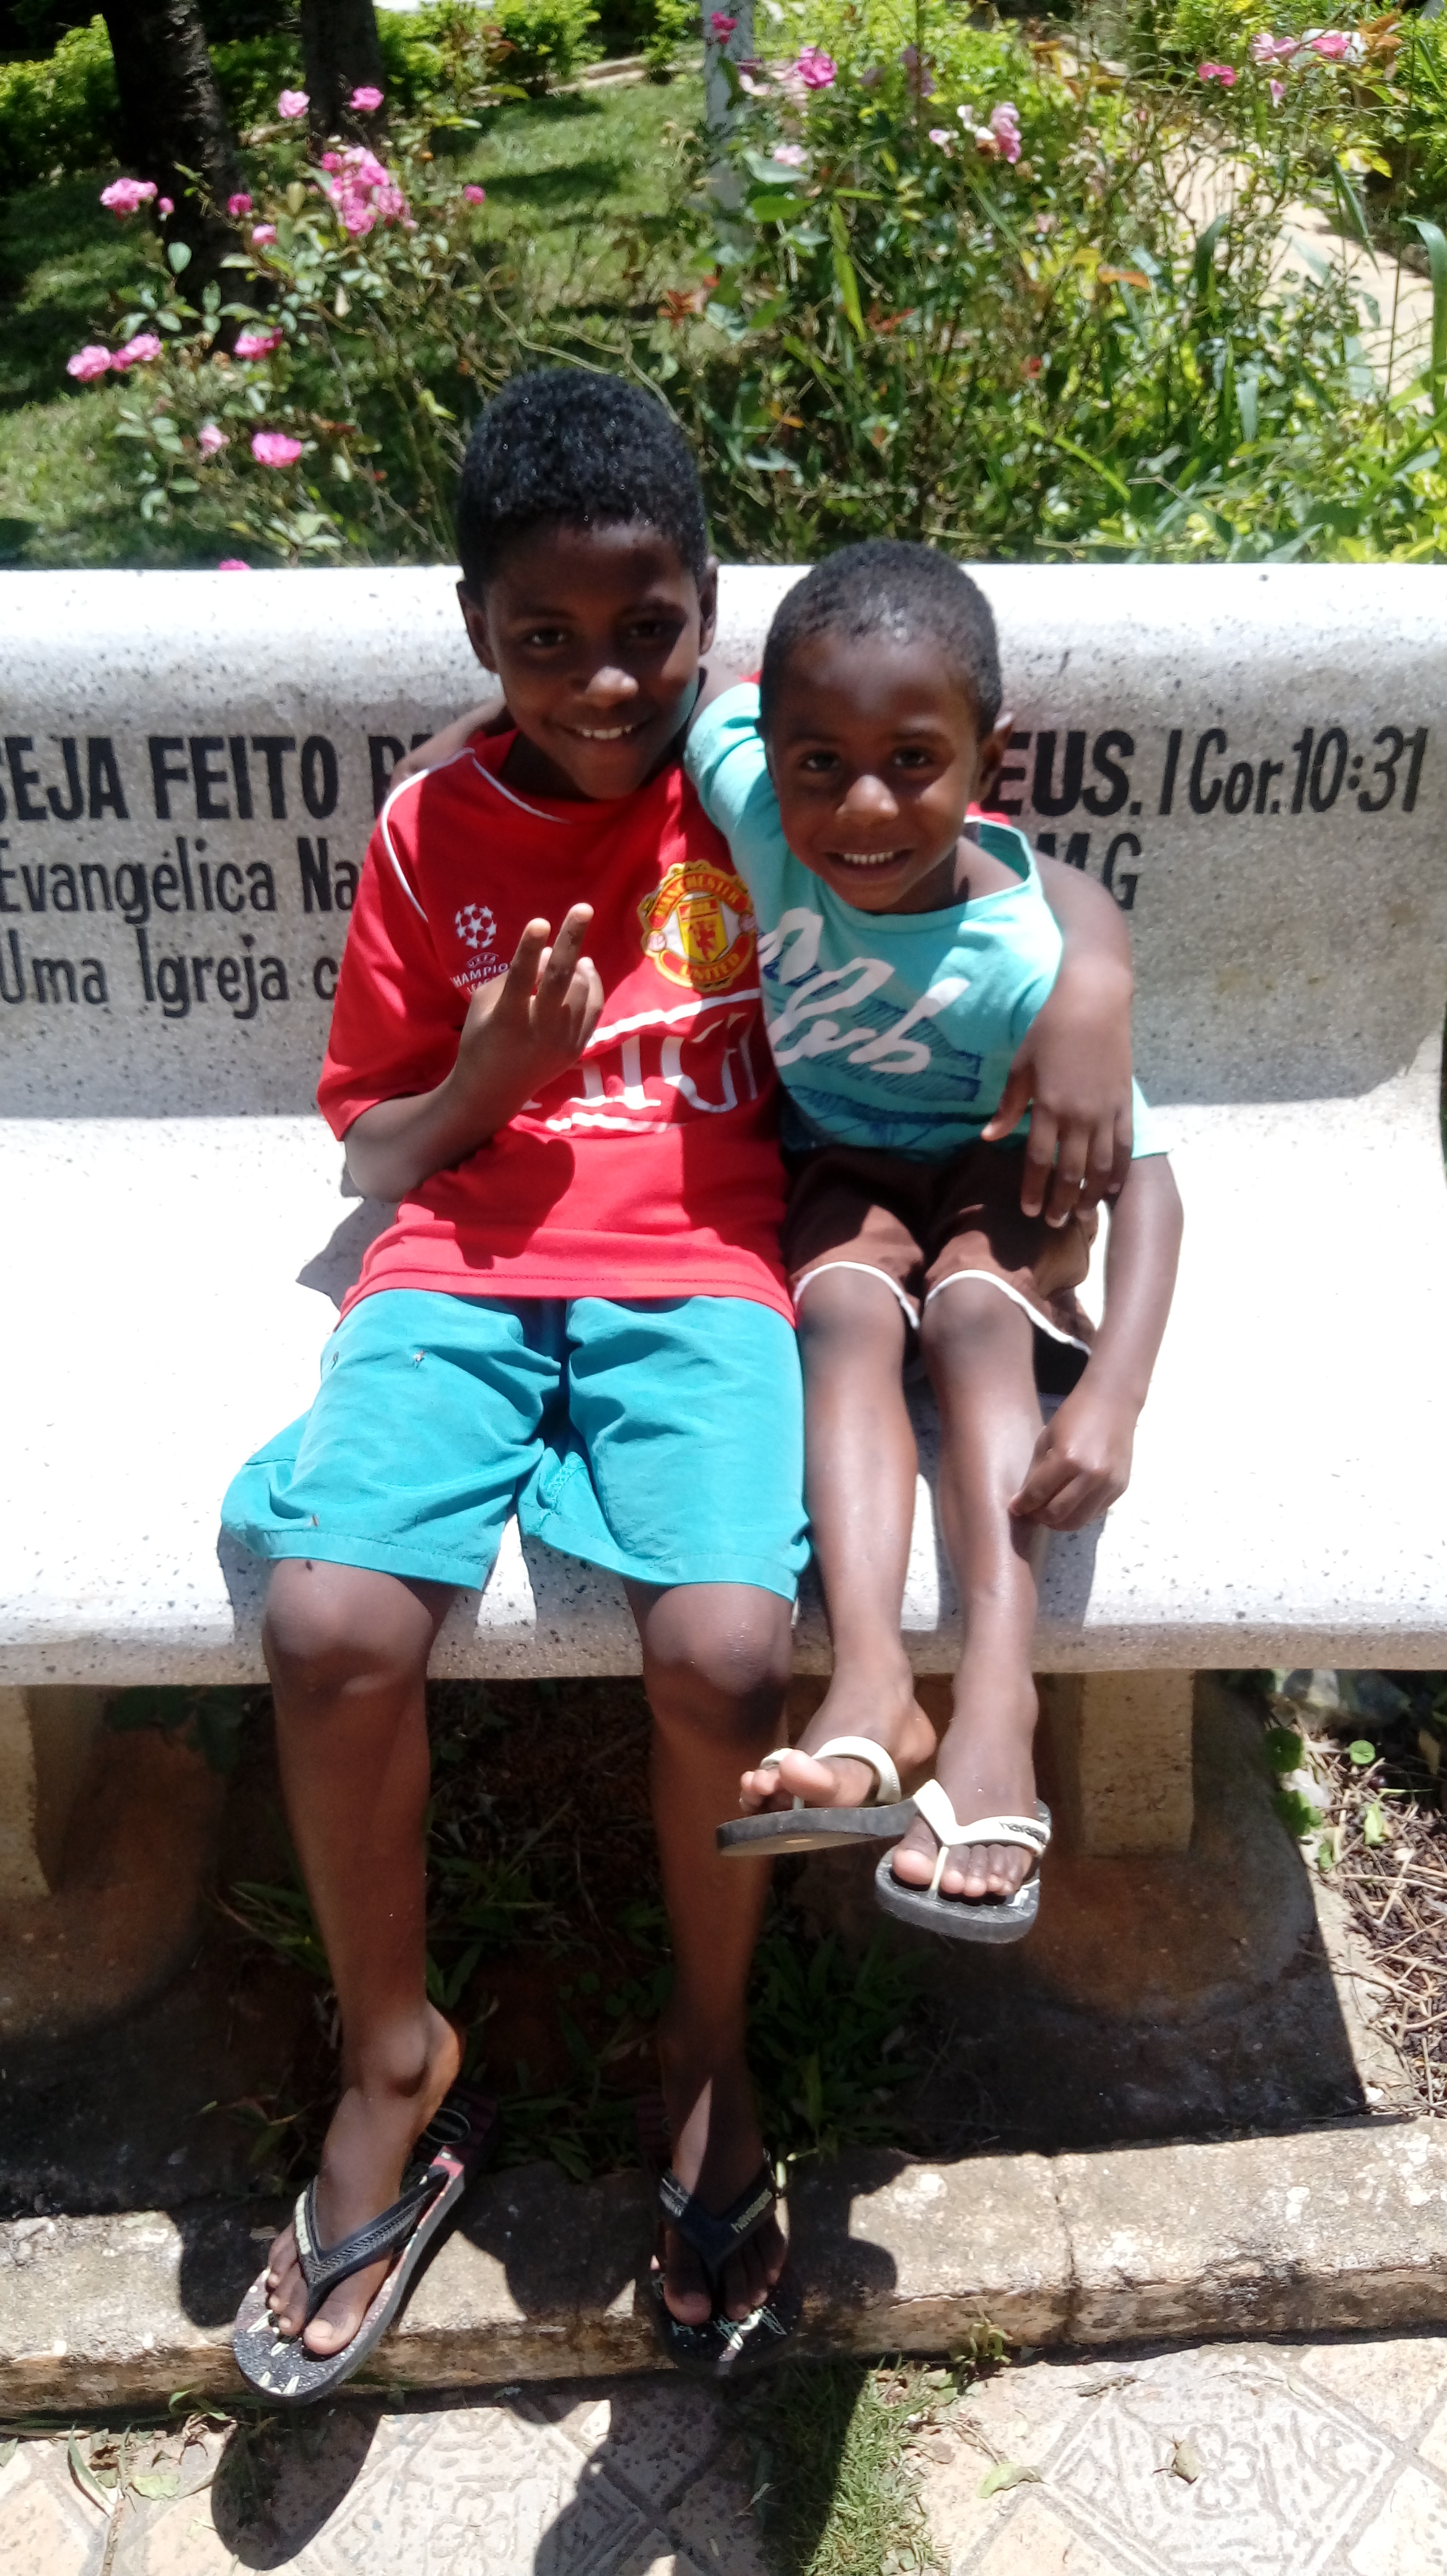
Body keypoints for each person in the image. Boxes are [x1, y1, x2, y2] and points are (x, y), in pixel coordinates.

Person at [221, 373, 1137, 2396]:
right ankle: (393, 2057)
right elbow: (371, 1154)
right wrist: (491, 1074)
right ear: (478, 633)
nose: (601, 681)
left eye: (645, 631)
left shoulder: (759, 783)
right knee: (328, 1621)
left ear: (709, 620)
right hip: (459, 1261)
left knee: (728, 1652)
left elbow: (999, 861)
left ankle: (708, 2055)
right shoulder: (432, 830)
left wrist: (1090, 982)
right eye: (541, 640)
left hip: (711, 1263)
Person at [690, 542, 1183, 1938]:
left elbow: (1151, 1187)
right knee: (841, 1311)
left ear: (987, 759)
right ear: (773, 753)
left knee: (971, 1318)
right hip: (842, 1170)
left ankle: (999, 1707)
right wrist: (444, 753)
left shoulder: (1025, 961)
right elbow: (682, 699)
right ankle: (871, 1684)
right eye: (819, 763)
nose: (860, 807)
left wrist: (1114, 1393)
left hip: (997, 1174)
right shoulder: (757, 804)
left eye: (913, 762)